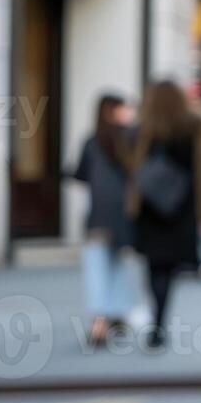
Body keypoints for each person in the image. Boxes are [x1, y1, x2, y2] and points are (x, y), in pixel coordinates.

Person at [126, 81, 201, 351]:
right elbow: (199, 172)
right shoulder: (191, 127)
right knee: (169, 269)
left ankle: (156, 321)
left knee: (153, 267)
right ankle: (160, 321)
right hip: (180, 209)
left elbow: (134, 168)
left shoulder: (144, 129)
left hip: (150, 208)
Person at [71, 93, 135, 346]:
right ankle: (117, 314)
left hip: (98, 215)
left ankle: (101, 321)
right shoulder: (130, 139)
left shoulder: (91, 142)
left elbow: (80, 174)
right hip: (122, 214)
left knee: (97, 266)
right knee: (118, 263)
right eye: (123, 108)